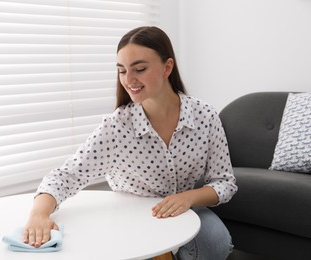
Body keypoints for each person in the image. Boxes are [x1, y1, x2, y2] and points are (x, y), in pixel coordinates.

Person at [23, 26, 238, 260]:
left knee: (216, 244)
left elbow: (224, 182)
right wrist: (38, 214)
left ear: (167, 67)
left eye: (140, 69)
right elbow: (66, 176)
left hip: (188, 209)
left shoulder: (205, 115)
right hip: (136, 215)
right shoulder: (116, 127)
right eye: (122, 71)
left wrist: (188, 198)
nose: (129, 80)